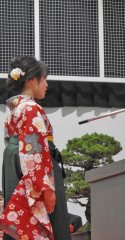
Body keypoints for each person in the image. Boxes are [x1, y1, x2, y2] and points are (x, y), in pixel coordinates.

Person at [0, 56, 71, 239]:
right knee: (51, 220)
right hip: (35, 168)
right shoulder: (31, 108)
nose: (46, 84)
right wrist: (44, 187)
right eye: (44, 79)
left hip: (15, 166)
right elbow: (34, 149)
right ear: (32, 80)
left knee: (22, 222)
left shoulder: (13, 109)